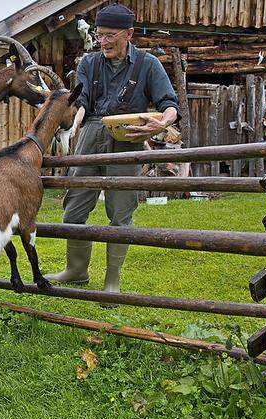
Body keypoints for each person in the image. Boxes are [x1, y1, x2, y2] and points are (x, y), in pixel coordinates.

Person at [45, 4, 180, 305]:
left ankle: (112, 283)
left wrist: (162, 122)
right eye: (99, 35)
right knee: (74, 208)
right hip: (92, 133)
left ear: (129, 34)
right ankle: (75, 270)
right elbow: (82, 101)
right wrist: (76, 120)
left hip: (129, 137)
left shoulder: (148, 64)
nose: (103, 42)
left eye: (110, 36)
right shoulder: (88, 63)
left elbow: (170, 104)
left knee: (120, 211)